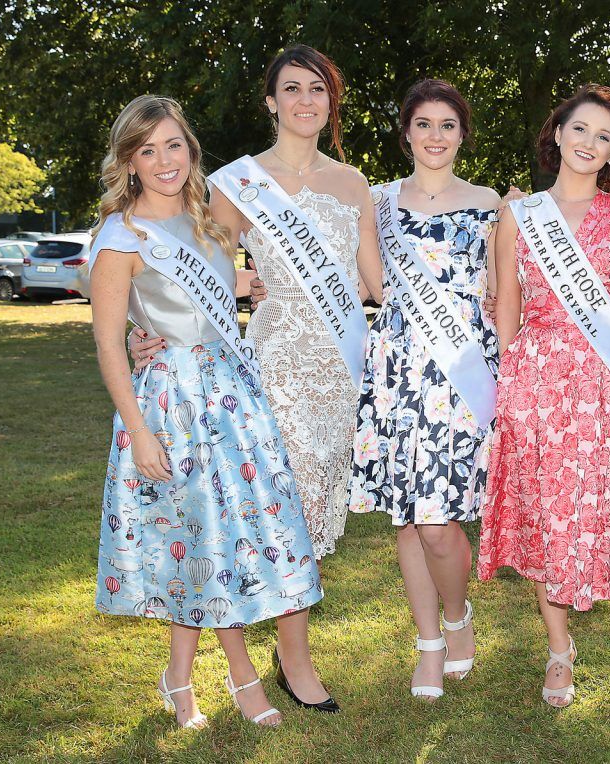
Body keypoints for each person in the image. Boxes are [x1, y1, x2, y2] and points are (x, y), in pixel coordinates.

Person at [134, 44, 382, 712]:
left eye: (318, 90)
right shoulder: (238, 182)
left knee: (316, 511)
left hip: (336, 371)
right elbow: (191, 270)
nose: (306, 100)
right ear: (271, 101)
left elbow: (375, 283)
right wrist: (142, 326)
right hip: (267, 368)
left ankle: (281, 650)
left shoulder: (353, 183)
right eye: (292, 89)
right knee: (272, 513)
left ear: (331, 102)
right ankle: (292, 664)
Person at [91, 95, 324, 729]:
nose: (164, 160)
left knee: (213, 534)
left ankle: (178, 675)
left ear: (190, 150)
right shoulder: (121, 239)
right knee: (200, 531)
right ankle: (243, 676)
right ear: (130, 162)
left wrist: (247, 287)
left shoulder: (208, 223)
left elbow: (219, 299)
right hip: (170, 405)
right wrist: (138, 432)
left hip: (232, 398)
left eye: (173, 145)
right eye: (147, 150)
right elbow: (111, 342)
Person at [478, 84, 610, 744]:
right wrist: (512, 394)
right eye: (581, 130)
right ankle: (559, 650)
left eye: (605, 137)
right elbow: (507, 306)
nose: (591, 144)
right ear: (557, 132)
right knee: (551, 520)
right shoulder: (519, 215)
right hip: (539, 386)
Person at [347, 79, 501, 701]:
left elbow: (505, 286)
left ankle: (458, 615)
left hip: (462, 371)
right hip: (398, 371)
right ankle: (430, 643)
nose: (435, 136)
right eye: (423, 124)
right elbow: (360, 279)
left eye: (447, 125)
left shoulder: (491, 202)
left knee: (439, 524)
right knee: (409, 522)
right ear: (406, 131)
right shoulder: (375, 201)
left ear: (462, 134)